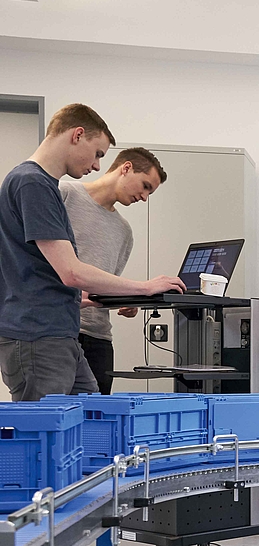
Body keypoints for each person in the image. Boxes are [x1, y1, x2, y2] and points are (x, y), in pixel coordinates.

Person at [0, 103, 184, 404]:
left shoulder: (42, 185)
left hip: (60, 331)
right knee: (45, 439)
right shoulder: (33, 183)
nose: (98, 165)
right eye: (98, 153)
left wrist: (86, 298)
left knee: (92, 418)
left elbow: (45, 269)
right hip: (37, 334)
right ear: (78, 135)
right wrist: (146, 287)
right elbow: (71, 271)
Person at [62, 147, 168, 396]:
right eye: (145, 186)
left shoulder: (124, 231)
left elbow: (105, 284)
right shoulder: (65, 194)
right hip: (59, 330)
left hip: (99, 337)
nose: (144, 197)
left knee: (98, 424)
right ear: (126, 168)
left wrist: (126, 299)